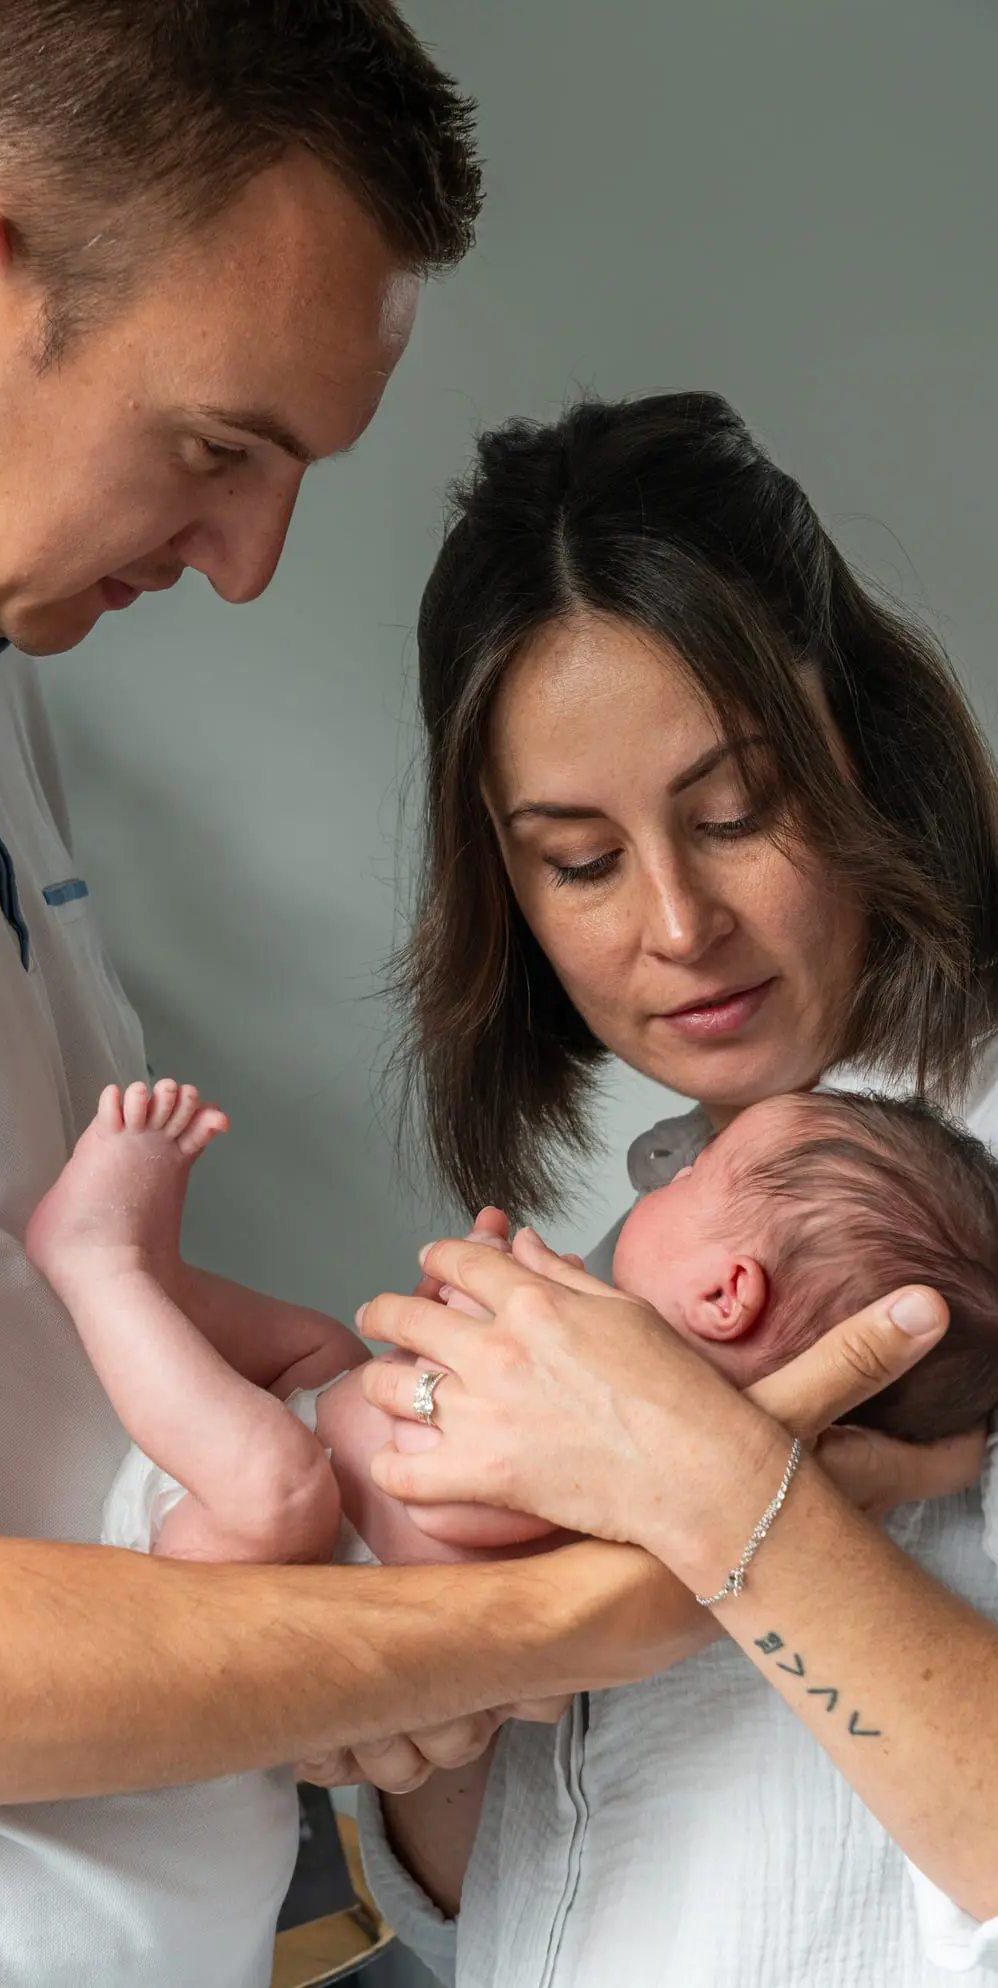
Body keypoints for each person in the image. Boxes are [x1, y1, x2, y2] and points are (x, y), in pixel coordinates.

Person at [0, 10, 951, 1987]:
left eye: (732, 812)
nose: (252, 564)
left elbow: (43, 1342)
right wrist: (594, 1595)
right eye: (215, 449)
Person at [325, 391, 998, 1986]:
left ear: (861, 751)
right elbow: (470, 1892)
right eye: (578, 859)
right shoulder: (638, 1267)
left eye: (732, 813)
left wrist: (708, 1493)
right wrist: (432, 1689)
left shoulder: (948, 1248)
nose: (676, 924)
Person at [32, 1080, 998, 1572]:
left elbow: (451, 1500)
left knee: (277, 1483)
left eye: (697, 1177)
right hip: (303, 1428)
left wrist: (463, 1364)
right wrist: (469, 1320)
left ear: (725, 1295)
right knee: (318, 1350)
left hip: (228, 1562)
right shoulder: (617, 1347)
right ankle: (153, 1291)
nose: (662, 1169)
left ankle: (100, 1267)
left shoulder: (645, 1450)